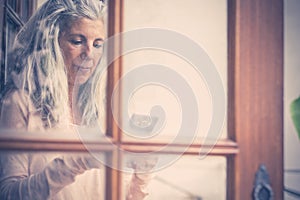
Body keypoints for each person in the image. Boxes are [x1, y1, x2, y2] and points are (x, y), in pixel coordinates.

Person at [0, 0, 152, 199]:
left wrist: (142, 176)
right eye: (77, 41)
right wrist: (74, 162)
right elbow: (8, 194)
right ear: (52, 43)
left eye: (98, 44)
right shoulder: (20, 103)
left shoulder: (106, 105)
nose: (89, 54)